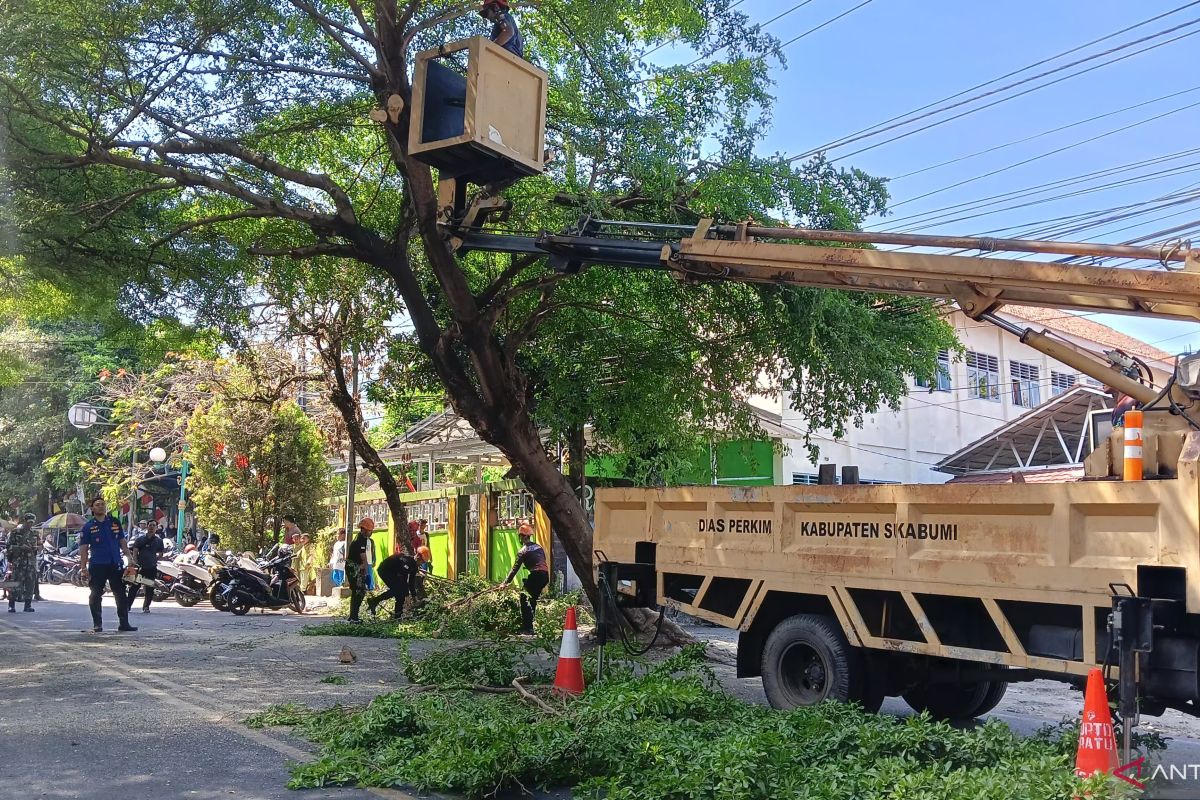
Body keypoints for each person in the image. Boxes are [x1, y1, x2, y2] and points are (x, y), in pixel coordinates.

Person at [78, 497, 137, 633]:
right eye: (97, 505)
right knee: (95, 594)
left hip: (115, 564)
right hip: (97, 565)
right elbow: (84, 549)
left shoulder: (114, 523)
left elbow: (122, 541)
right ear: (92, 509)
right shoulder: (88, 526)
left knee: (121, 594)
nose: (101, 507)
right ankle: (97, 624)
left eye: (103, 504)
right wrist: (83, 567)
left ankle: (124, 623)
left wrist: (129, 557)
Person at [504, 523, 548, 635]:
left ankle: (527, 628)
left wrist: (504, 583)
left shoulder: (523, 551)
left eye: (520, 536)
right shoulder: (539, 547)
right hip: (544, 576)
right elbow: (541, 560)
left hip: (536, 575)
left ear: (523, 537)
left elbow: (514, 569)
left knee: (524, 598)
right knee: (532, 600)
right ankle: (531, 625)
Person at [126, 519, 165, 613]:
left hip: (151, 567)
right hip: (140, 567)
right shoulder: (140, 539)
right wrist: (135, 560)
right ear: (147, 526)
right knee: (134, 587)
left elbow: (161, 553)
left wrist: (156, 559)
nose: (152, 527)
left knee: (149, 588)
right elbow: (135, 550)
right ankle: (127, 606)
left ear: (156, 528)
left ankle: (146, 607)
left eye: (154, 525)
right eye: (150, 525)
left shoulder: (159, 541)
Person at [367, 551, 420, 619]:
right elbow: (403, 574)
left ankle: (398, 614)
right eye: (422, 561)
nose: (421, 563)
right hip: (385, 570)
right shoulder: (408, 561)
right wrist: (406, 591)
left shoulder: (414, 567)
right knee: (399, 589)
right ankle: (374, 601)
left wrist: (414, 596)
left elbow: (411, 582)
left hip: (393, 572)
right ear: (418, 557)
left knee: (401, 591)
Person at [6, 513, 38, 613]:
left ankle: (27, 605)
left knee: (30, 584)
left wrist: (37, 548)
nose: (30, 525)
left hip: (31, 562)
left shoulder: (34, 533)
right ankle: (11, 605)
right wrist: (20, 547)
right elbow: (9, 547)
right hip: (19, 562)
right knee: (15, 583)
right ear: (24, 521)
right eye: (29, 522)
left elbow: (39, 545)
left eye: (32, 522)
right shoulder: (16, 532)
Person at [346, 519, 374, 623]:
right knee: (359, 592)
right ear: (364, 530)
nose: (371, 533)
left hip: (355, 567)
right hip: (354, 568)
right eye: (370, 531)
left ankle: (352, 616)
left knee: (356, 592)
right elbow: (363, 557)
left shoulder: (360, 538)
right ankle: (354, 617)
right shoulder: (361, 539)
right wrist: (366, 572)